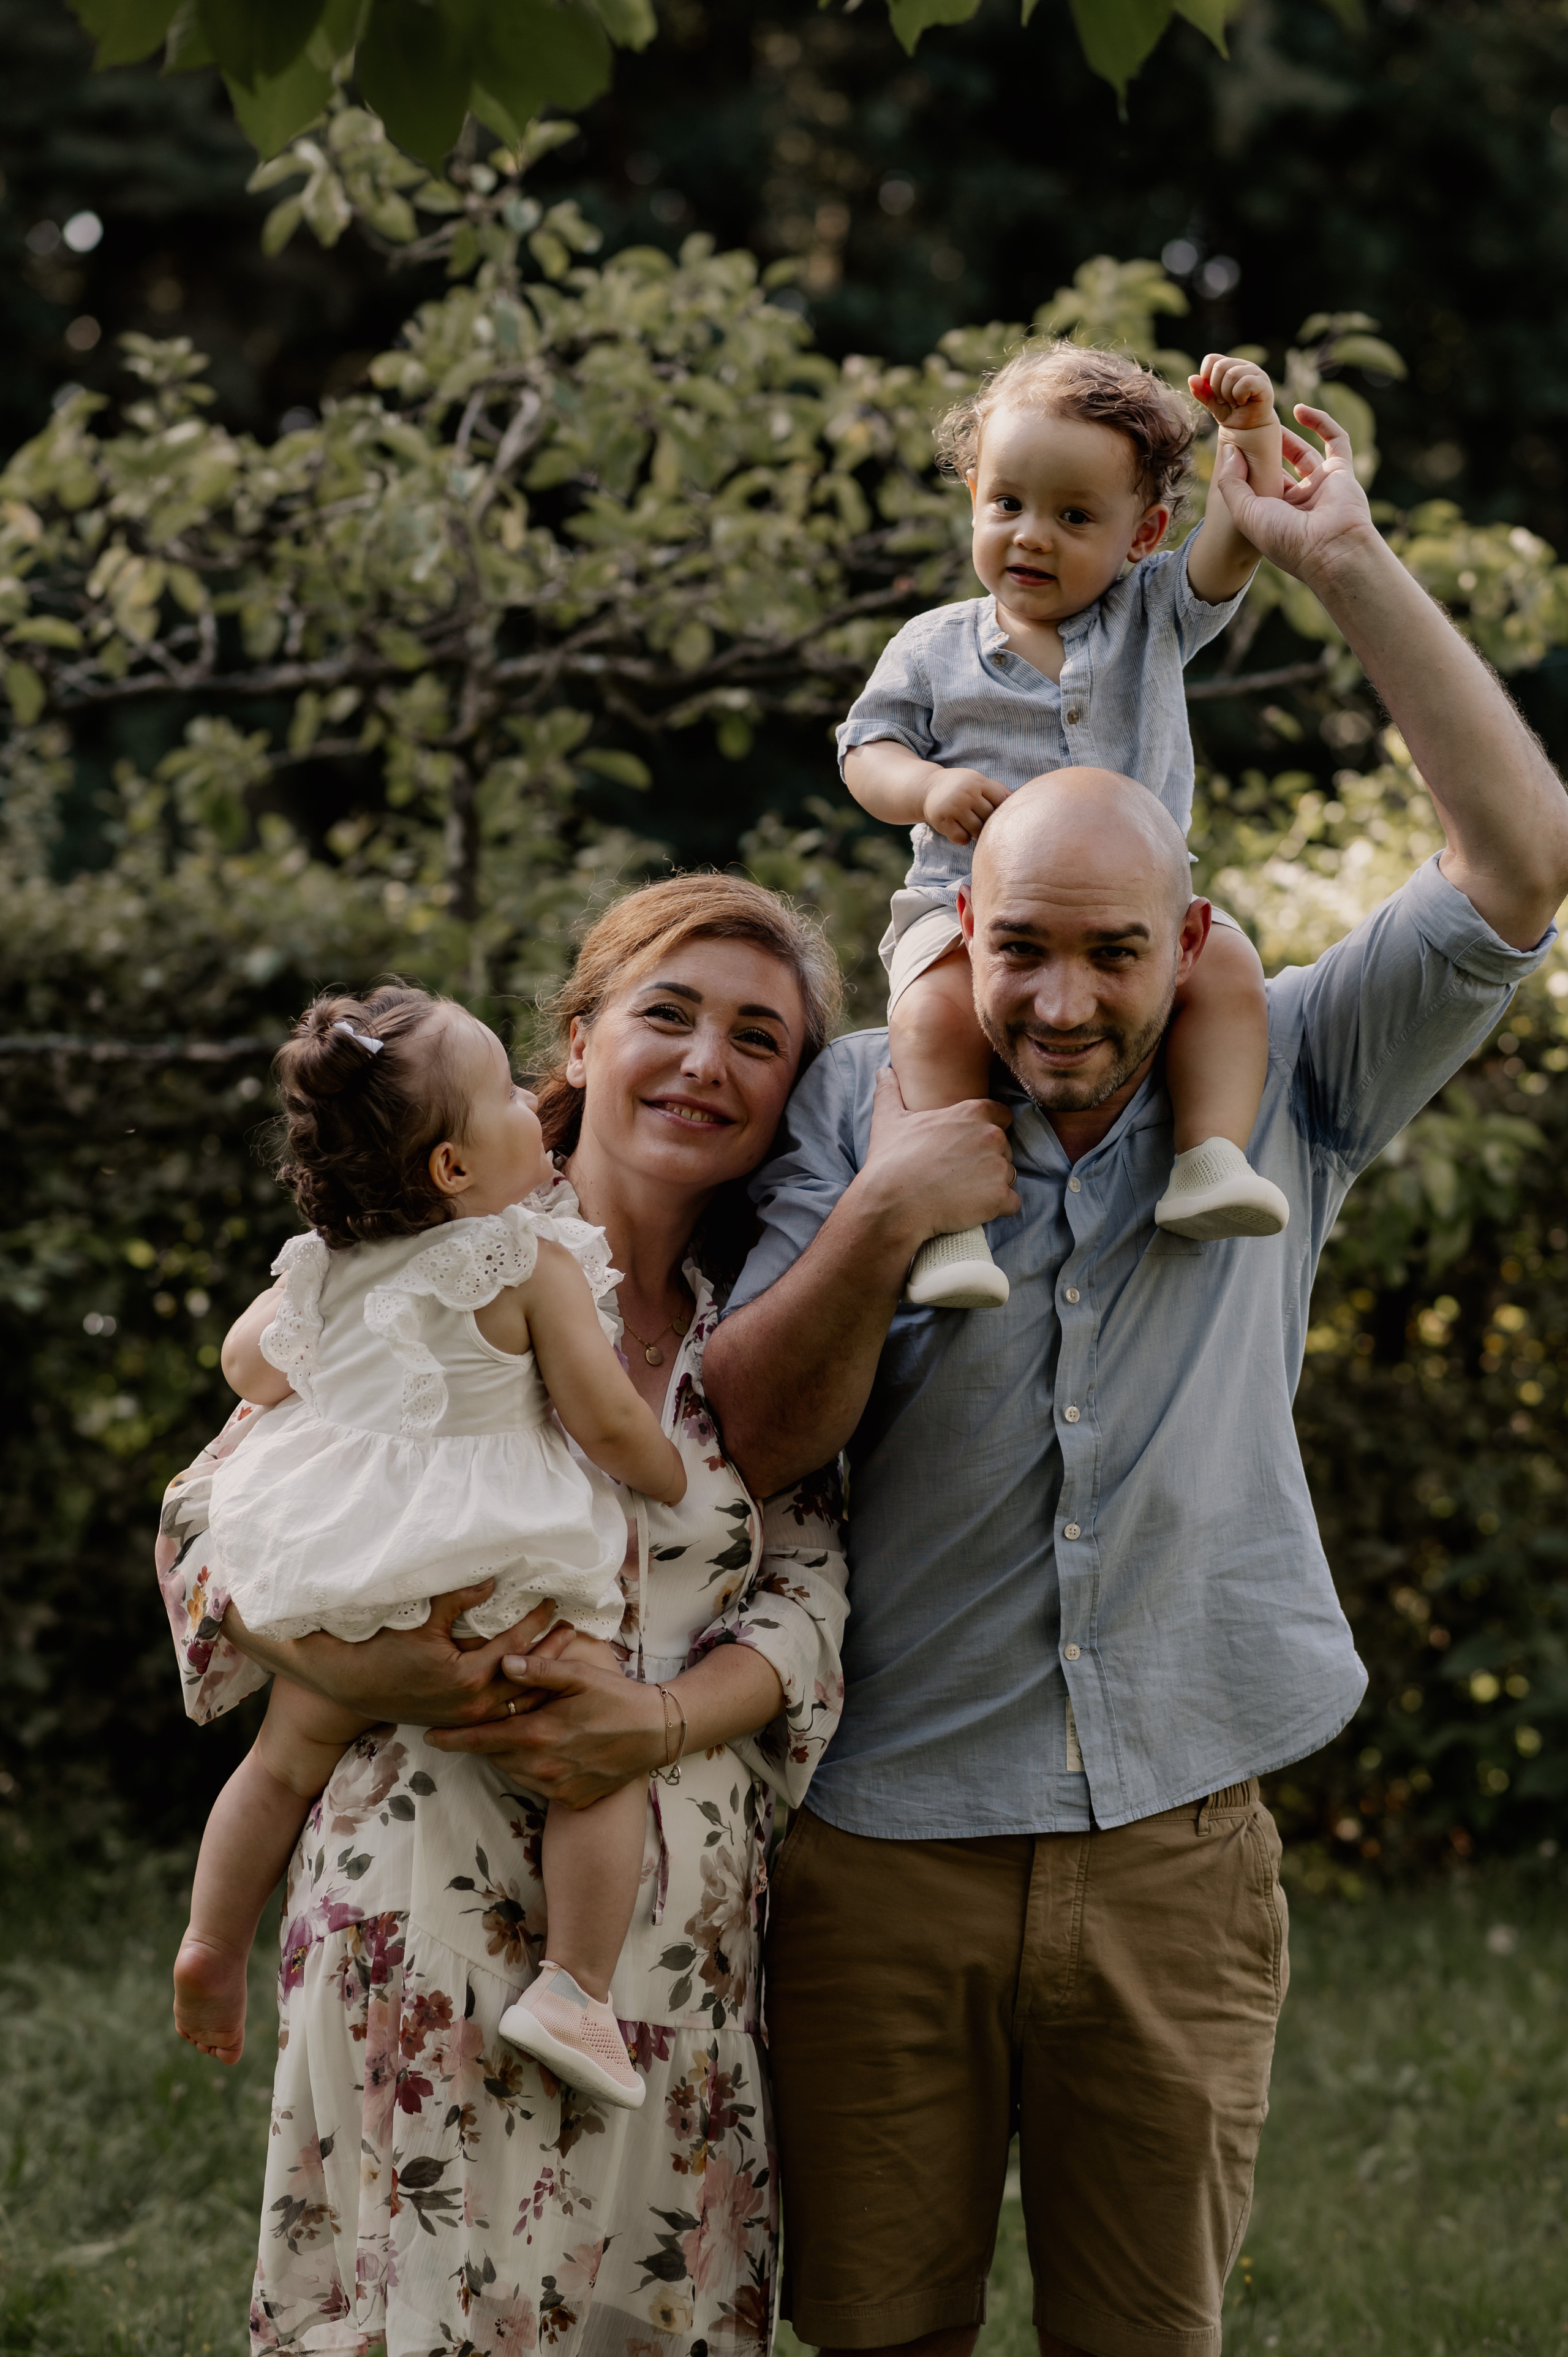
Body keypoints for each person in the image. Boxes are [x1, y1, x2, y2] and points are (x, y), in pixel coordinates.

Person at [701, 405, 1568, 2357]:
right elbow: (750, 1439)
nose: (1064, 1006)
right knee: (869, 2335)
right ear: (959, 938)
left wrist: (1340, 557)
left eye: (1111, 957)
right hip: (878, 1855)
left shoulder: (1289, 1093)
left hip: (1177, 1846)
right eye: (1019, 955)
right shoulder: (851, 1114)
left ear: (1188, 948)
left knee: (1144, 2340)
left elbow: (1519, 865)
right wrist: (882, 1217)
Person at [155, 877, 850, 2357]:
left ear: (792, 1090)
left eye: (758, 1037)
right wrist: (380, 1658)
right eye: (666, 1013)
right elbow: (213, 1519)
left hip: (666, 1949)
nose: (703, 1061)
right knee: (421, 2310)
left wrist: (655, 1719)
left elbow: (812, 1587)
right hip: (421, 1886)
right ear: (581, 1039)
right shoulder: (429, 1241)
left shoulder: (778, 1314)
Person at [174, 983, 688, 2108]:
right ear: (453, 1171)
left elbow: (247, 1370)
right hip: (492, 1569)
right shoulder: (524, 1259)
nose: (528, 1099)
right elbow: (603, 1418)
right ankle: (577, 1987)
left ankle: (214, 1938)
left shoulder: (322, 1267)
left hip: (347, 1574)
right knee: (595, 1761)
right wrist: (665, 1476)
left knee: (279, 1764)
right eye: (508, 1088)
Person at [841, 341, 1289, 1307]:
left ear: (1144, 531)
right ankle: (952, 1223)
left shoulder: (1155, 613)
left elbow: (1238, 541)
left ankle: (1210, 1158)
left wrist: (1250, 433)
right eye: (1008, 505)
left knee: (1230, 971)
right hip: (964, 908)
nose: (1031, 537)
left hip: (1141, 919)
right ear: (973, 495)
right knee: (929, 1012)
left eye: (1074, 516)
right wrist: (923, 789)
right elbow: (862, 752)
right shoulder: (933, 646)